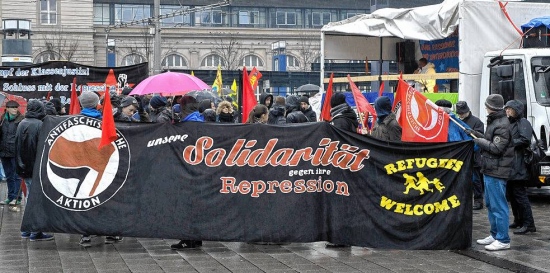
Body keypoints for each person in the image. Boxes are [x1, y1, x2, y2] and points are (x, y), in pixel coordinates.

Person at [77, 92, 123, 246]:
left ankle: (86, 235)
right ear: (97, 103)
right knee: (106, 199)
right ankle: (110, 233)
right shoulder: (105, 121)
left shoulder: (75, 122)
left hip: (84, 165)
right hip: (104, 165)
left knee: (86, 200)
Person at [471, 94, 513, 251]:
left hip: (497, 170)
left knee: (498, 205)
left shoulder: (501, 124)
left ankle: (503, 239)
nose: (485, 107)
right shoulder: (495, 121)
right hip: (489, 169)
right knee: (490, 204)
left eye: (487, 105)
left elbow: (496, 148)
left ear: (491, 107)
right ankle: (494, 234)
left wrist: (479, 141)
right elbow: (490, 139)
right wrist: (476, 134)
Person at [15, 100, 54, 241]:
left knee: (29, 199)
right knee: (36, 200)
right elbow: (39, 149)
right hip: (35, 168)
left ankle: (26, 230)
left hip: (24, 167)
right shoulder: (39, 125)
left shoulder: (22, 123)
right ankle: (35, 231)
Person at [171, 95, 204, 250]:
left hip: (186, 168)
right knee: (197, 204)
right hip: (201, 169)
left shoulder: (186, 124)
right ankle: (197, 238)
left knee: (186, 205)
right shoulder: (201, 120)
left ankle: (187, 239)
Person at [504, 100, 536, 235]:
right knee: (512, 195)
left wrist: (508, 143)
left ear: (516, 110)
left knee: (520, 195)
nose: (507, 111)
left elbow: (525, 140)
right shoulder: (511, 123)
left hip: (519, 164)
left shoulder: (523, 122)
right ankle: (518, 220)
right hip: (512, 165)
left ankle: (529, 224)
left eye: (509, 109)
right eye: (506, 109)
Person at [456, 101, 485, 210]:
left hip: (474, 155)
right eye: (459, 114)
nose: (461, 115)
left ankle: (478, 201)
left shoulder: (477, 122)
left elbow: (483, 137)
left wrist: (473, 132)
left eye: (462, 113)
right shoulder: (457, 121)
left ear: (468, 111)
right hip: (461, 155)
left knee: (475, 180)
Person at [0, 100, 24, 205]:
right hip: (4, 151)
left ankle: (17, 198)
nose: (15, 109)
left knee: (16, 176)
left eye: (16, 107)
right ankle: (10, 197)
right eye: (13, 107)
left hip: (15, 151)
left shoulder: (21, 120)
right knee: (9, 175)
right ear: (7, 108)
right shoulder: (2, 119)